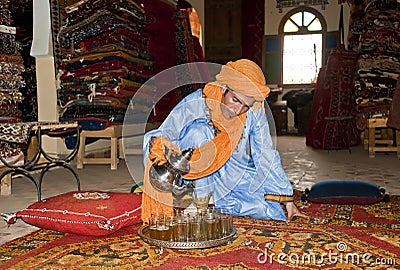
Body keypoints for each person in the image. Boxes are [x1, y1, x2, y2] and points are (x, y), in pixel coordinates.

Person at [141, 59, 307, 223]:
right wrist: (164, 161)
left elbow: (265, 152)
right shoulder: (197, 102)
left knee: (266, 205)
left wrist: (287, 200)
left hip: (228, 171)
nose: (238, 111)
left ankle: (213, 198)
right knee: (200, 131)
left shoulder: (254, 111)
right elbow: (162, 134)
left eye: (245, 106)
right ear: (223, 88)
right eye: (235, 100)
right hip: (190, 172)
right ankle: (197, 200)